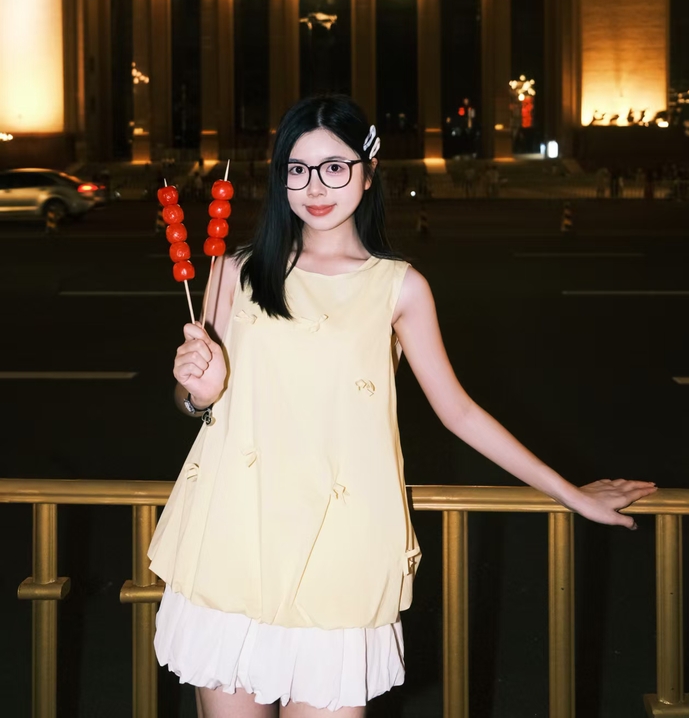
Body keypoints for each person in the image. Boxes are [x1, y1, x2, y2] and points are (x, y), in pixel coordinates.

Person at [148, 94, 656, 717]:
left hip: (340, 546)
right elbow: (194, 399)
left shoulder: (399, 286)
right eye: (298, 169)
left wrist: (572, 494)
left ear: (368, 171)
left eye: (335, 167)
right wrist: (196, 392)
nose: (315, 187)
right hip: (233, 531)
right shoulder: (235, 271)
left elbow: (459, 412)